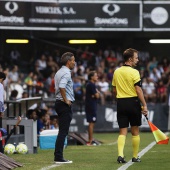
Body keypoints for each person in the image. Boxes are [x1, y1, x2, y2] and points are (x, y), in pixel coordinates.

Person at [112, 48, 148, 163]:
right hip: (133, 103)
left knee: (122, 131)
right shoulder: (135, 72)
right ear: (130, 59)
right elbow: (138, 90)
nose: (137, 60)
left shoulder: (116, 71)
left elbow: (114, 90)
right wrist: (144, 105)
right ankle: (135, 156)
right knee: (135, 131)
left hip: (121, 103)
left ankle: (120, 155)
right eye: (136, 58)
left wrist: (120, 97)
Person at [54, 52, 76, 163]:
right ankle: (58, 157)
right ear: (68, 62)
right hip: (63, 104)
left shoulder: (59, 72)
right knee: (63, 132)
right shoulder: (67, 73)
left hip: (58, 103)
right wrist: (66, 99)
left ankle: (58, 155)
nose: (74, 62)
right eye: (73, 60)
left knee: (61, 131)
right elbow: (62, 87)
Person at [85, 71, 100, 145]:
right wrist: (96, 94)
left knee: (91, 123)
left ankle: (90, 139)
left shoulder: (90, 84)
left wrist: (95, 94)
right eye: (96, 76)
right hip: (91, 105)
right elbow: (97, 95)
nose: (97, 77)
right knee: (91, 123)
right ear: (91, 77)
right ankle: (90, 141)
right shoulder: (91, 85)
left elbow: (96, 95)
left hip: (90, 105)